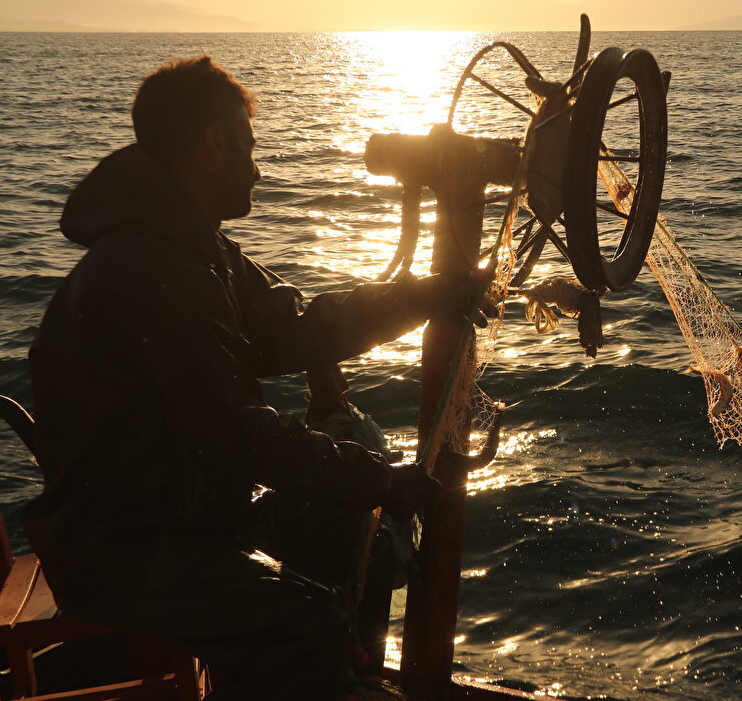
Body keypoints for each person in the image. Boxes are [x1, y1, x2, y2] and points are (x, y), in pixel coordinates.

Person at [24, 56, 473, 700]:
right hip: (121, 548)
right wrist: (380, 480)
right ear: (215, 142)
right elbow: (238, 434)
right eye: (250, 147)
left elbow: (293, 327)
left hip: (167, 519)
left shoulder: (190, 247)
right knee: (307, 626)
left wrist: (427, 296)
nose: (258, 169)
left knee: (346, 536)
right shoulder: (157, 267)